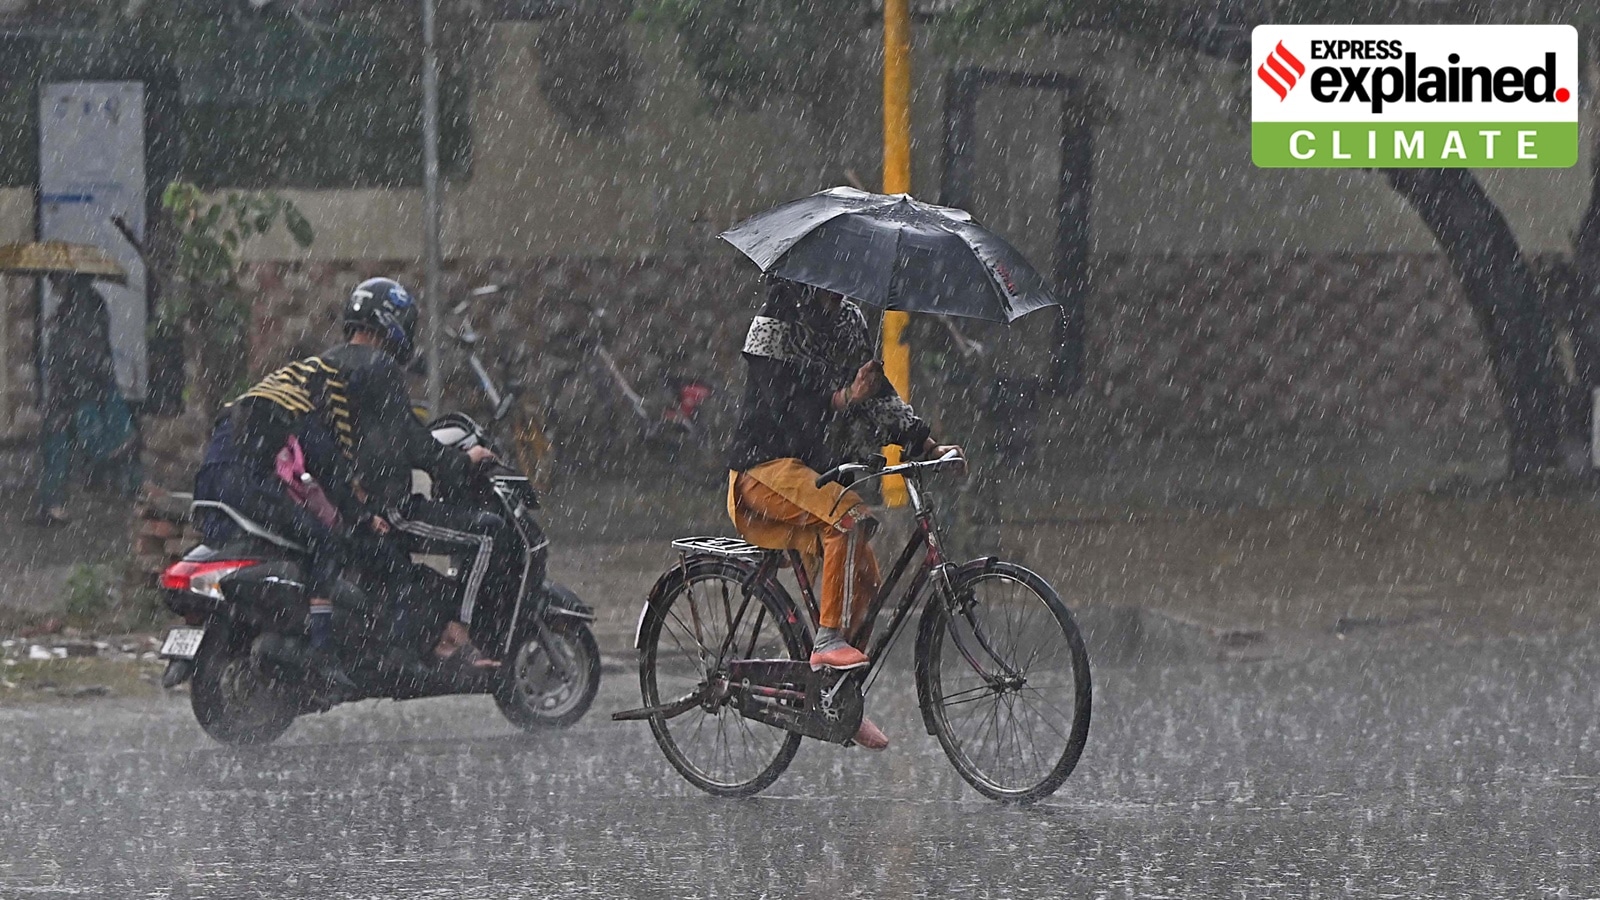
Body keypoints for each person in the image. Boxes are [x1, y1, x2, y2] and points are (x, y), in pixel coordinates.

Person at [727, 277, 962, 752]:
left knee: (868, 583)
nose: (839, 290)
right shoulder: (774, 323)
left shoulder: (849, 320)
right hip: (763, 468)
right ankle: (827, 646)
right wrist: (839, 400)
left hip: (811, 474)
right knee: (848, 520)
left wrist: (924, 442)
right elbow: (780, 403)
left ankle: (838, 696)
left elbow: (874, 393)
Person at [34, 273, 140, 525]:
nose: (52, 284)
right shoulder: (79, 305)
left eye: (55, 279)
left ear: (69, 280)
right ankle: (53, 506)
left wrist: (60, 331)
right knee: (104, 444)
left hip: (81, 393)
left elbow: (80, 354)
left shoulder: (83, 306)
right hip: (80, 392)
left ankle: (55, 506)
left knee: (105, 445)